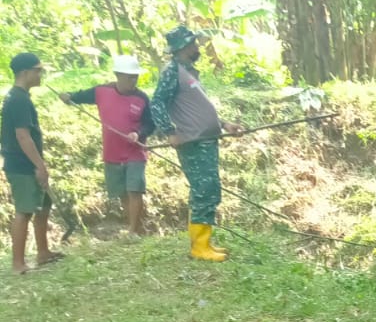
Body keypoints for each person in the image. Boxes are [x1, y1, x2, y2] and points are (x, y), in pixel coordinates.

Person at [149, 25, 242, 261]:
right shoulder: (172, 71)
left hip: (206, 140)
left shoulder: (187, 71)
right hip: (193, 142)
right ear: (182, 48)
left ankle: (204, 242)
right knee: (203, 190)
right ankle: (199, 247)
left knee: (209, 190)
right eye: (192, 44)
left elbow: (196, 109)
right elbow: (157, 102)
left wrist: (224, 124)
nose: (196, 46)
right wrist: (169, 131)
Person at [61, 54, 154, 235]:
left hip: (135, 152)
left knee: (135, 190)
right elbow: (80, 96)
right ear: (118, 75)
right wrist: (68, 96)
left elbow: (150, 123)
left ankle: (133, 231)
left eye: (135, 77)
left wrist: (138, 134)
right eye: (129, 77)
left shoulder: (142, 98)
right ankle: (135, 227)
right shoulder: (101, 91)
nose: (133, 81)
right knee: (123, 194)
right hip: (112, 152)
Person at [3, 53, 62, 273]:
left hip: (27, 162)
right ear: (24, 73)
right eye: (37, 70)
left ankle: (43, 252)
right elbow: (22, 136)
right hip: (22, 165)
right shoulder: (18, 100)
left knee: (43, 206)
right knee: (25, 211)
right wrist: (39, 165)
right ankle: (18, 263)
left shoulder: (19, 97)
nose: (40, 74)